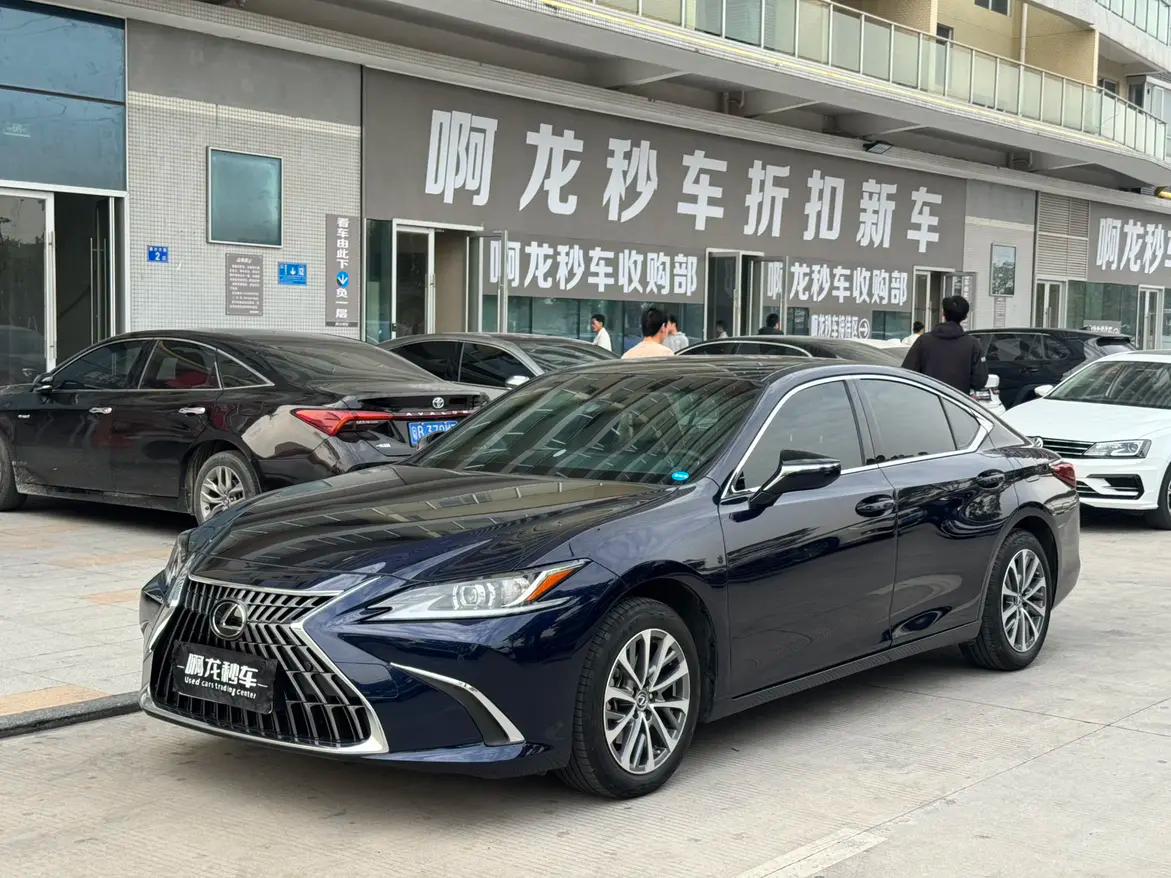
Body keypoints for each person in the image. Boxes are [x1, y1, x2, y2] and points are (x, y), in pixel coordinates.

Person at [901, 295, 988, 394]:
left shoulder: (923, 341)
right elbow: (980, 381)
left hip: (926, 399)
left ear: (943, 313)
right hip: (957, 400)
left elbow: (907, 373)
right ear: (965, 317)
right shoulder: (973, 344)